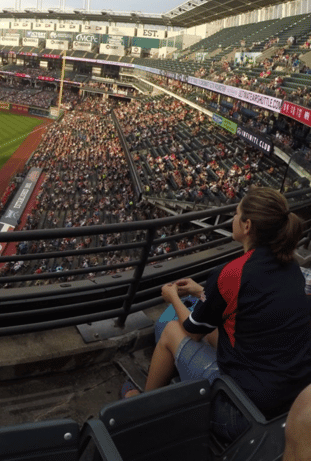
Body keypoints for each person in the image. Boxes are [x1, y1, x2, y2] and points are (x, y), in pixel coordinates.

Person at [132, 187, 311, 436]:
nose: (232, 219)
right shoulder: (291, 266)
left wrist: (172, 298)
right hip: (293, 403)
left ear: (247, 226)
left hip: (242, 414)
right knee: (214, 328)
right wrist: (200, 292)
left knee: (172, 330)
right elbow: (240, 308)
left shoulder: (232, 272)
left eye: (236, 214)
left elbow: (192, 331)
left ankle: (140, 409)